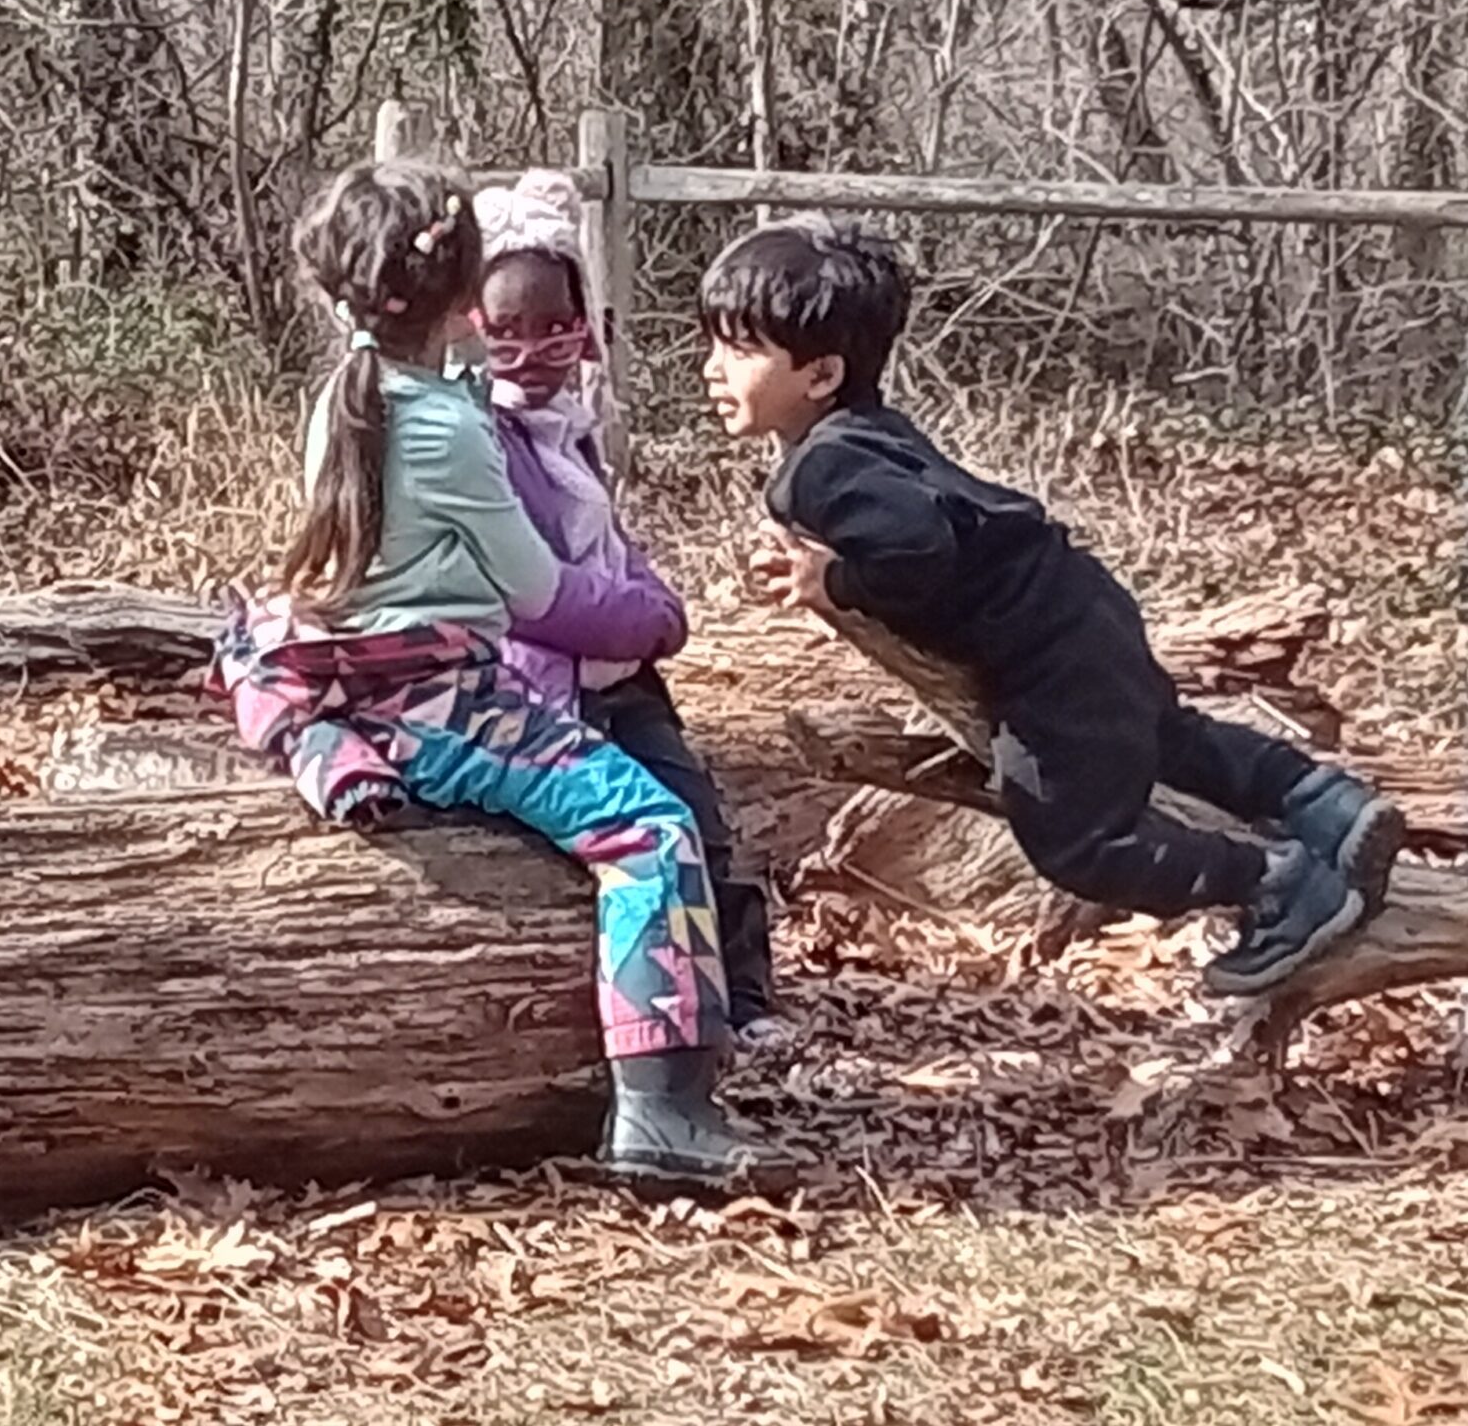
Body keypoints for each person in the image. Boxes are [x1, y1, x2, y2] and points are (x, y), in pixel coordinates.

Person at [217, 158, 788, 1182]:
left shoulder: (347, 396)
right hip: (440, 697)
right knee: (654, 830)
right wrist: (654, 618)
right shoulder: (450, 425)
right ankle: (667, 1113)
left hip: (368, 675)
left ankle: (327, 745)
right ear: (464, 299)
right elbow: (538, 594)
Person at [706, 214, 1403, 994]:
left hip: (1041, 656)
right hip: (1077, 597)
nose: (712, 368)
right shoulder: (866, 434)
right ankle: (1327, 802)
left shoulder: (818, 470)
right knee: (1165, 735)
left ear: (822, 374)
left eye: (740, 350)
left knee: (1077, 844)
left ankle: (1279, 881)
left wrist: (830, 583)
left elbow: (919, 551)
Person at [470, 169, 786, 1052]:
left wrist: (650, 595)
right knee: (637, 835)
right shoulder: (475, 437)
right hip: (539, 687)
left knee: (701, 822)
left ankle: (748, 1001)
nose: (531, 355)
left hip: (623, 680)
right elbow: (529, 592)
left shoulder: (578, 422)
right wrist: (647, 619)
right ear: (472, 331)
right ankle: (658, 1022)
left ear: (586, 328)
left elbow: (603, 545)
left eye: (553, 330)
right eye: (507, 334)